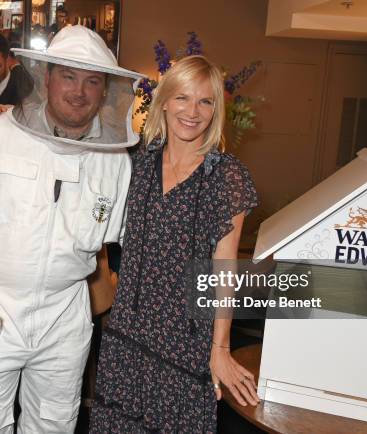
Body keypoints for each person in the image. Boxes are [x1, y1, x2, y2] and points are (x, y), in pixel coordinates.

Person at [0, 24, 143, 433]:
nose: (79, 91)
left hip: (66, 315)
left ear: (106, 89)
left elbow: (130, 234)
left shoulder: (115, 161)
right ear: (47, 78)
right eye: (69, 76)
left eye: (92, 81)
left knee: (54, 424)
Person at [89, 55, 260, 433]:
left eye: (205, 101)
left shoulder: (226, 177)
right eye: (183, 97)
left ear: (216, 110)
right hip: (127, 338)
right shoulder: (135, 162)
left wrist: (220, 349)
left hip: (185, 346)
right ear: (164, 100)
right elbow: (78, 150)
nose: (193, 111)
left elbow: (225, 269)